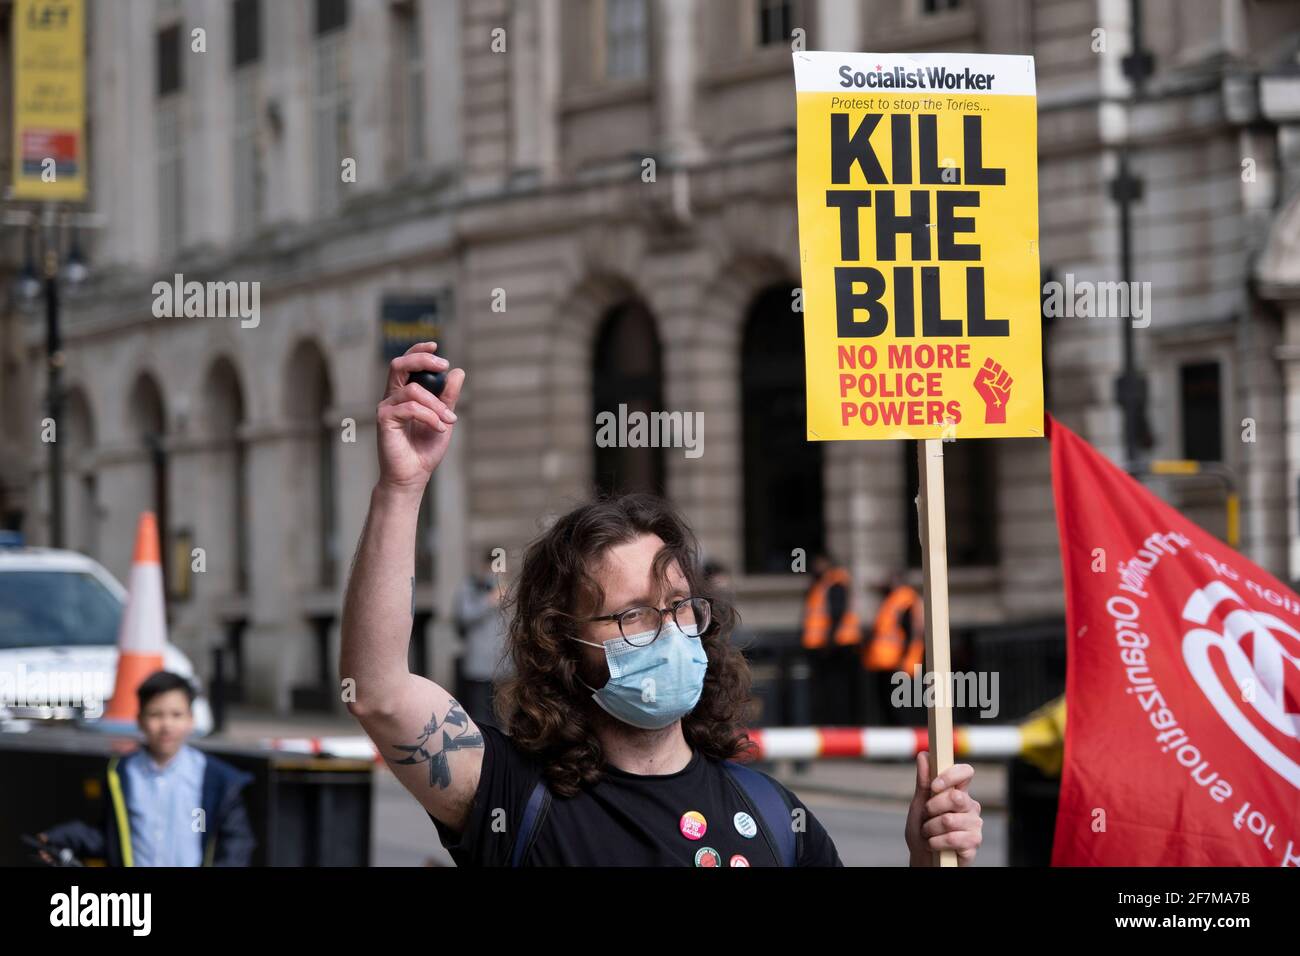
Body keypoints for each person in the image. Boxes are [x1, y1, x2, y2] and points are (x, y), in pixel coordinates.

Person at [341, 342, 983, 866]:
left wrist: (925, 860)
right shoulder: (515, 797)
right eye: (633, 615)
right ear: (565, 645)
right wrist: (402, 487)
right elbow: (377, 692)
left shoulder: (772, 816)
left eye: (679, 605)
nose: (671, 632)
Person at [38, 671, 255, 867]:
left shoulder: (215, 778)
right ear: (140, 720)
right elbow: (110, 837)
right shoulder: (121, 773)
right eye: (155, 714)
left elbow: (236, 843)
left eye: (176, 714)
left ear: (191, 720)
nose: (166, 725)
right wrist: (62, 838)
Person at [801, 551, 863, 725]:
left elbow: (836, 614)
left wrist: (829, 642)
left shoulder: (835, 582)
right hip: (827, 645)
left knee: (837, 689)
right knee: (829, 690)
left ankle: (840, 724)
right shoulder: (821, 584)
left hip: (838, 646)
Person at [454, 548, 510, 725]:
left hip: (500, 664)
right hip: (478, 664)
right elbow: (464, 615)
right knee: (479, 715)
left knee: (499, 716)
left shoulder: (505, 588)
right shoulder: (470, 587)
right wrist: (489, 601)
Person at [863, 573, 926, 726]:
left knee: (901, 710)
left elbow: (910, 633)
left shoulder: (904, 599)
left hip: (901, 665)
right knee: (891, 708)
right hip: (888, 663)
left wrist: (902, 659)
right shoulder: (893, 600)